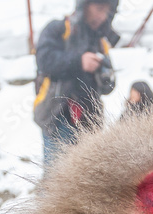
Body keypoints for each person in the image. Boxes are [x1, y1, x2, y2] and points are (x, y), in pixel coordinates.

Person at [34, 0, 119, 167]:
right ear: (85, 5)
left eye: (106, 12)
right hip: (58, 118)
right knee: (57, 179)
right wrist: (79, 61)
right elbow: (44, 60)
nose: (102, 16)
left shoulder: (100, 41)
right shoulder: (58, 29)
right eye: (99, 9)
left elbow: (108, 86)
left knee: (86, 182)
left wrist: (103, 73)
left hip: (89, 123)